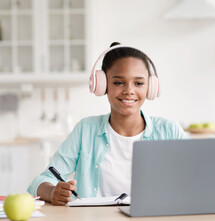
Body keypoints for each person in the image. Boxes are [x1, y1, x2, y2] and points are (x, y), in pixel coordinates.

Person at [28, 42, 189, 205]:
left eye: (138, 83)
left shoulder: (169, 131)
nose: (129, 90)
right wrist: (52, 191)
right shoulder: (86, 130)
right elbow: (41, 181)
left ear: (150, 87)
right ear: (102, 85)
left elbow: (196, 177)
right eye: (119, 82)